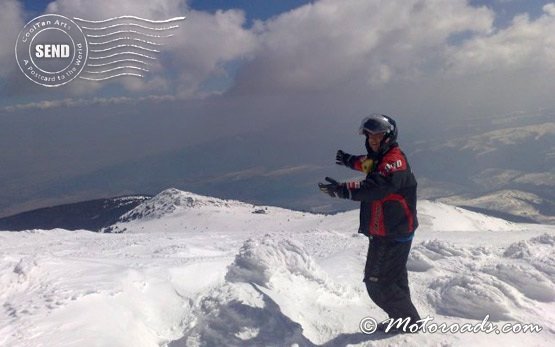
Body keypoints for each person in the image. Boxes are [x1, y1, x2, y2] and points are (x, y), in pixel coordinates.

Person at [318, 114, 421, 333]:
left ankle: (409, 322)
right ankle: (404, 320)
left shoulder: (394, 162)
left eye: (378, 135)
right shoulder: (382, 157)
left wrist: (343, 190)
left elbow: (377, 186)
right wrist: (347, 160)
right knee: (394, 280)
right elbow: (369, 164)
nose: (373, 140)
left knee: (377, 283)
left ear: (389, 136)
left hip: (392, 233)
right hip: (389, 230)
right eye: (370, 136)